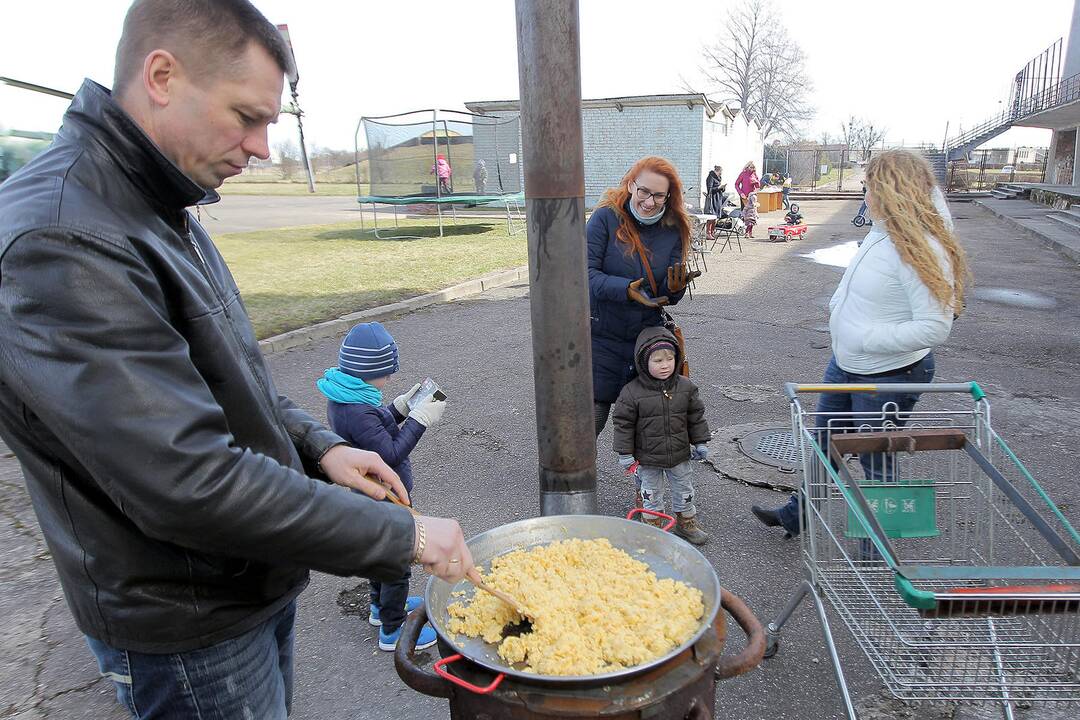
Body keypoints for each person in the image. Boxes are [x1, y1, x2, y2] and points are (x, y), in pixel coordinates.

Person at [0, 2, 473, 718]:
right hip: (185, 619)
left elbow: (229, 381)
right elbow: (184, 480)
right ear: (162, 75)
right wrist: (402, 538)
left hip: (239, 585)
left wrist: (322, 446)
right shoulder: (67, 238)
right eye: (247, 116)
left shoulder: (157, 205)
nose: (261, 147)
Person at [751, 149, 969, 537]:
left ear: (892, 190)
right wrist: (838, 308)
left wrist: (865, 337)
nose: (864, 194)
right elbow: (858, 286)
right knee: (824, 445)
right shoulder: (881, 232)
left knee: (876, 463)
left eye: (869, 186)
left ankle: (877, 548)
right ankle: (796, 515)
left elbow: (935, 327)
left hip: (891, 374)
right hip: (848, 363)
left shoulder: (922, 247)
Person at [316, 322, 447, 652]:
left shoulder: (346, 397)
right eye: (385, 373)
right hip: (386, 493)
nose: (389, 380)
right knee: (397, 558)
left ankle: (381, 607)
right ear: (368, 370)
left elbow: (374, 430)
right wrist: (420, 420)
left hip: (370, 494)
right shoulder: (358, 410)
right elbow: (388, 454)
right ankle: (393, 629)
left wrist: (399, 409)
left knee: (379, 552)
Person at [587, 157, 699, 507]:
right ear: (631, 183)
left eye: (659, 196)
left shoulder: (674, 227)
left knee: (649, 425)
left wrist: (676, 288)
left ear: (670, 197)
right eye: (644, 191)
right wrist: (625, 289)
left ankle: (648, 500)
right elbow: (583, 276)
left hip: (645, 341)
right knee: (588, 421)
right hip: (601, 336)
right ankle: (569, 492)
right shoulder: (605, 219)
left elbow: (669, 293)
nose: (649, 202)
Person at [613, 327, 711, 544]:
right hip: (647, 458)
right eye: (657, 360)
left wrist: (700, 442)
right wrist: (625, 453)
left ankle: (686, 523)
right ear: (643, 362)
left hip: (679, 455)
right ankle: (653, 528)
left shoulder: (686, 387)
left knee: (685, 490)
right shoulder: (632, 392)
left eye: (670, 358)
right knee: (651, 493)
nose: (665, 364)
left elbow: (695, 417)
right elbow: (623, 424)